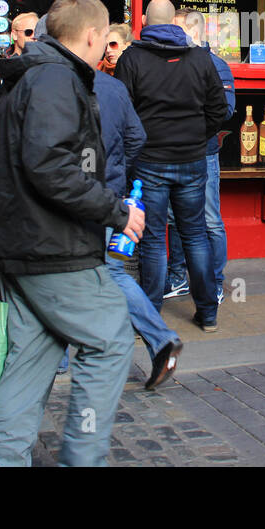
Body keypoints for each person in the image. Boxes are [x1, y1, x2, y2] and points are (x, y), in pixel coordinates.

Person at [0, 0, 145, 467]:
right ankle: (83, 457)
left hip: (19, 243)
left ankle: (6, 459)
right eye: (104, 40)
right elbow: (49, 166)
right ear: (93, 36)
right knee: (111, 340)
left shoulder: (27, 75)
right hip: (52, 245)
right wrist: (116, 211)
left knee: (31, 357)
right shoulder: (56, 79)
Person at [115, 0, 228, 332]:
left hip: (150, 162)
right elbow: (219, 110)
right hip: (192, 161)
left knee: (152, 240)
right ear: (175, 24)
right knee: (194, 234)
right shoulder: (200, 59)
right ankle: (208, 313)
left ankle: (150, 316)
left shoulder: (132, 58)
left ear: (146, 23)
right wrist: (197, 136)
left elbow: (123, 113)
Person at [91, 62, 184, 389]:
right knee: (109, 270)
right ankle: (160, 340)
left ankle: (159, 340)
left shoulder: (57, 84)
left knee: (90, 270)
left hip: (80, 198)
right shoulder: (113, 87)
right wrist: (119, 175)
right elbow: (136, 137)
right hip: (109, 194)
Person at [163, 9, 235, 302]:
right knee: (174, 218)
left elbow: (226, 111)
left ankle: (215, 283)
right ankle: (178, 278)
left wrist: (188, 128)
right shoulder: (171, 62)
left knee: (209, 220)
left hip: (203, 154)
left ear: (193, 32)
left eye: (177, 30)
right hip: (174, 154)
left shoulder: (216, 66)